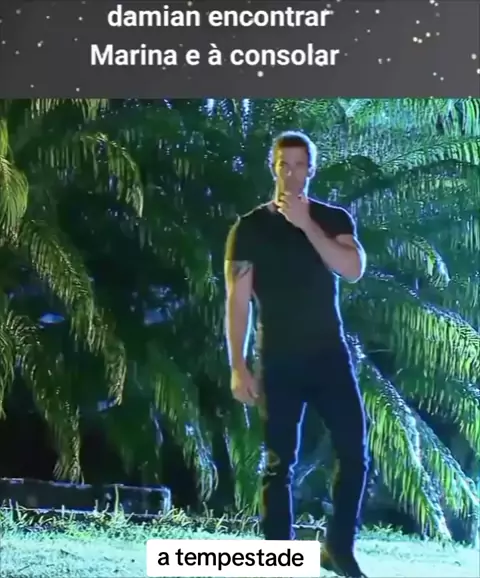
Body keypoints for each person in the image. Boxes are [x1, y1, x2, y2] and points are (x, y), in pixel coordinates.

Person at [223, 131, 370, 577]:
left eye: (300, 165)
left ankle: (338, 549)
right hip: (278, 356)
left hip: (329, 355)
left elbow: (352, 268)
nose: (291, 174)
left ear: (311, 170)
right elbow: (237, 301)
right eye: (283, 165)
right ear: (273, 168)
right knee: (278, 462)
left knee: (354, 451)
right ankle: (278, 557)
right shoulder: (249, 228)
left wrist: (306, 224)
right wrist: (238, 365)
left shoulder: (332, 218)